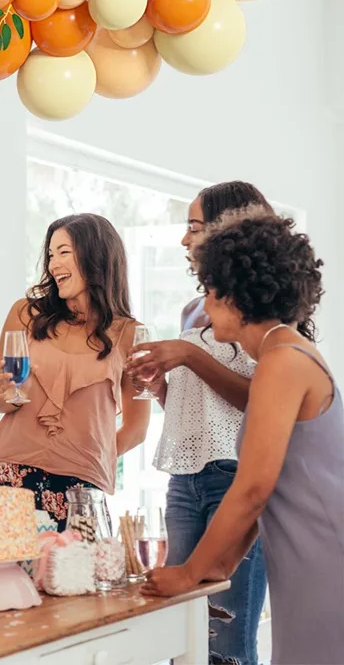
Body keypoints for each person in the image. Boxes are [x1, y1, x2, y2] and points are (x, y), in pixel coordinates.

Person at [143, 209, 344, 665]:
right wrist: (220, 563)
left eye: (209, 292)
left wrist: (190, 572)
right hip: (306, 553)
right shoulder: (285, 353)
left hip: (323, 557)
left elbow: (252, 487)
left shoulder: (283, 361)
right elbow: (271, 483)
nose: (205, 306)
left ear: (233, 296)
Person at [126, 182, 271, 665]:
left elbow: (261, 402)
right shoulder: (195, 309)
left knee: (226, 640)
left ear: (229, 228)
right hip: (184, 483)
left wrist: (188, 355)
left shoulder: (263, 310)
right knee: (185, 634)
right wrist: (160, 385)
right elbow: (197, 408)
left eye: (194, 227)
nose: (184, 240)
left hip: (234, 477)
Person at [0, 214, 150, 530]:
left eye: (64, 252)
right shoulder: (25, 313)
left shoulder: (131, 335)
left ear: (95, 256)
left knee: (78, 563)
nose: (53, 264)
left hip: (82, 487)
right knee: (9, 563)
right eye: (50, 255)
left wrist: (86, 459)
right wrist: (5, 397)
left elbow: (137, 428)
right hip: (13, 474)